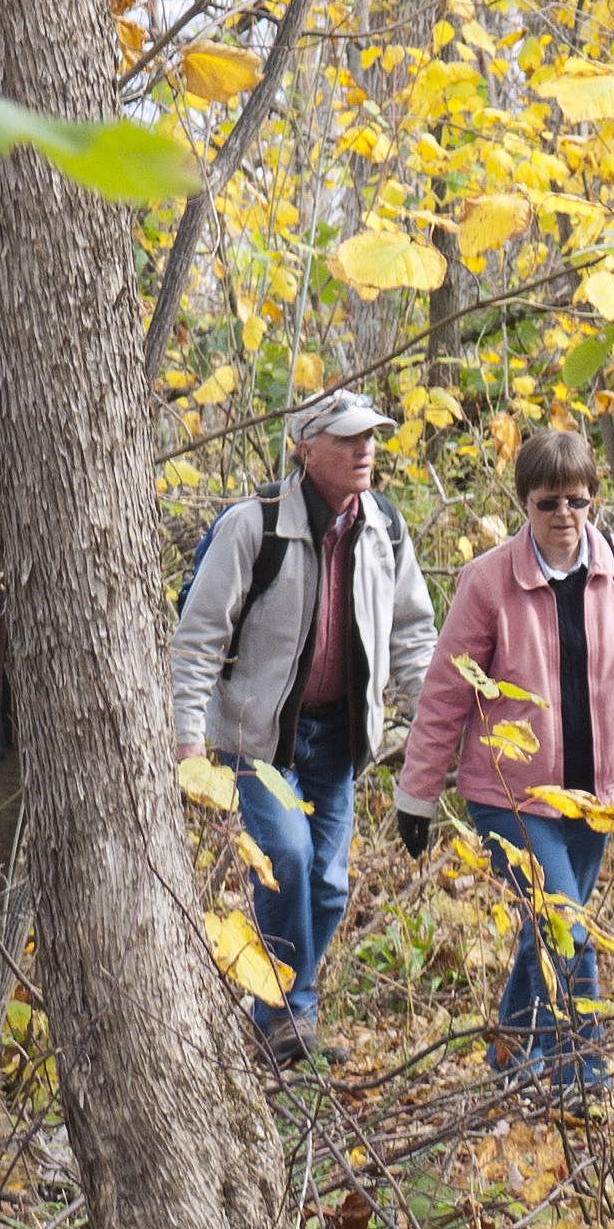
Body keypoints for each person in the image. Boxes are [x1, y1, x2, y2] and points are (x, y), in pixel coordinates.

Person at [171, 389, 441, 1066]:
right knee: (286, 859)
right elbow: (198, 637)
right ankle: (290, 1014)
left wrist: (436, 723)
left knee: (326, 884)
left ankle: (277, 1016)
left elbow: (412, 634)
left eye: (371, 437)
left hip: (339, 741)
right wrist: (186, 740)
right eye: (348, 438)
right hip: (256, 742)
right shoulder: (251, 525)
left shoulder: (383, 527)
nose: (365, 449)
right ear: (305, 447)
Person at [392, 430, 614, 1087]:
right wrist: (416, 795)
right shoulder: (488, 581)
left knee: (548, 930)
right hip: (511, 796)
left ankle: (510, 1055)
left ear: (593, 500)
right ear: (524, 504)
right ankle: (580, 1077)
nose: (564, 515)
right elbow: (447, 691)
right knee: (567, 926)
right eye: (548, 503)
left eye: (577, 501)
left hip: (597, 796)